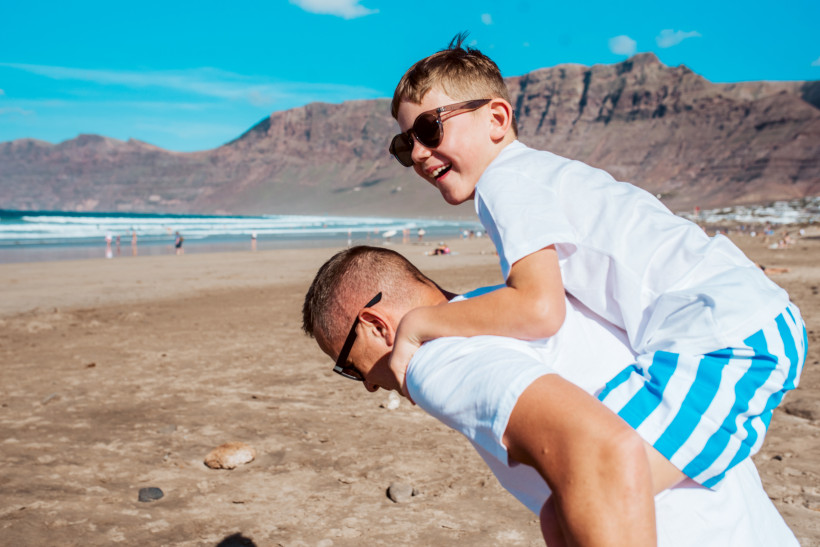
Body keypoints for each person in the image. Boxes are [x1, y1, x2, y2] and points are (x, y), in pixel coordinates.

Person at [386, 34, 807, 489]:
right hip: (720, 328)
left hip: (724, 337)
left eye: (430, 129)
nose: (420, 154)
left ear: (497, 118)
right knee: (573, 496)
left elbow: (538, 309)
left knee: (599, 487)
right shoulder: (534, 174)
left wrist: (418, 324)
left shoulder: (505, 182)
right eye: (405, 145)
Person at [302, 246, 797, 546]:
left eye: (348, 364)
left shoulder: (437, 360)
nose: (366, 383)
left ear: (374, 324)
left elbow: (602, 450)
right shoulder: (505, 308)